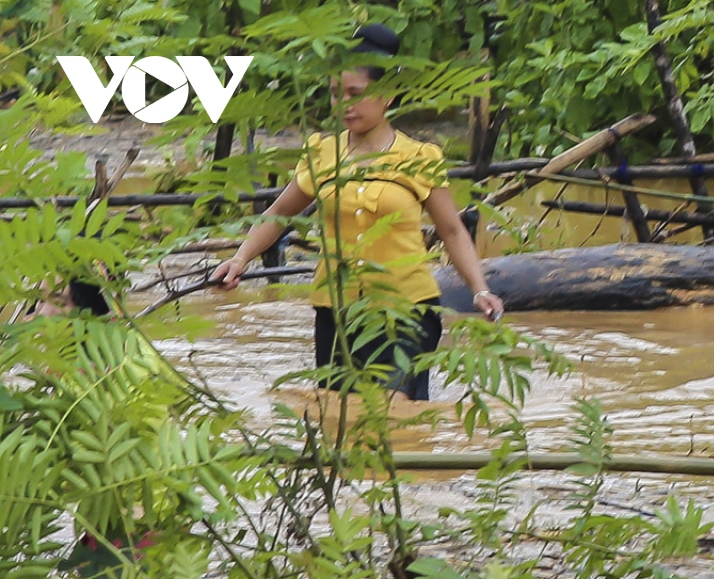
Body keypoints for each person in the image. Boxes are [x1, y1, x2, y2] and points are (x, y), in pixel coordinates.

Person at [209, 23, 503, 400]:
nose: (343, 105)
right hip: (337, 311)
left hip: (406, 311)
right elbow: (279, 214)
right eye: (335, 94)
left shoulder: (419, 158)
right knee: (337, 415)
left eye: (355, 94)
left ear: (388, 95)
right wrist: (240, 259)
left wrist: (480, 289)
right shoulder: (322, 153)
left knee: (391, 412)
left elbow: (452, 231)